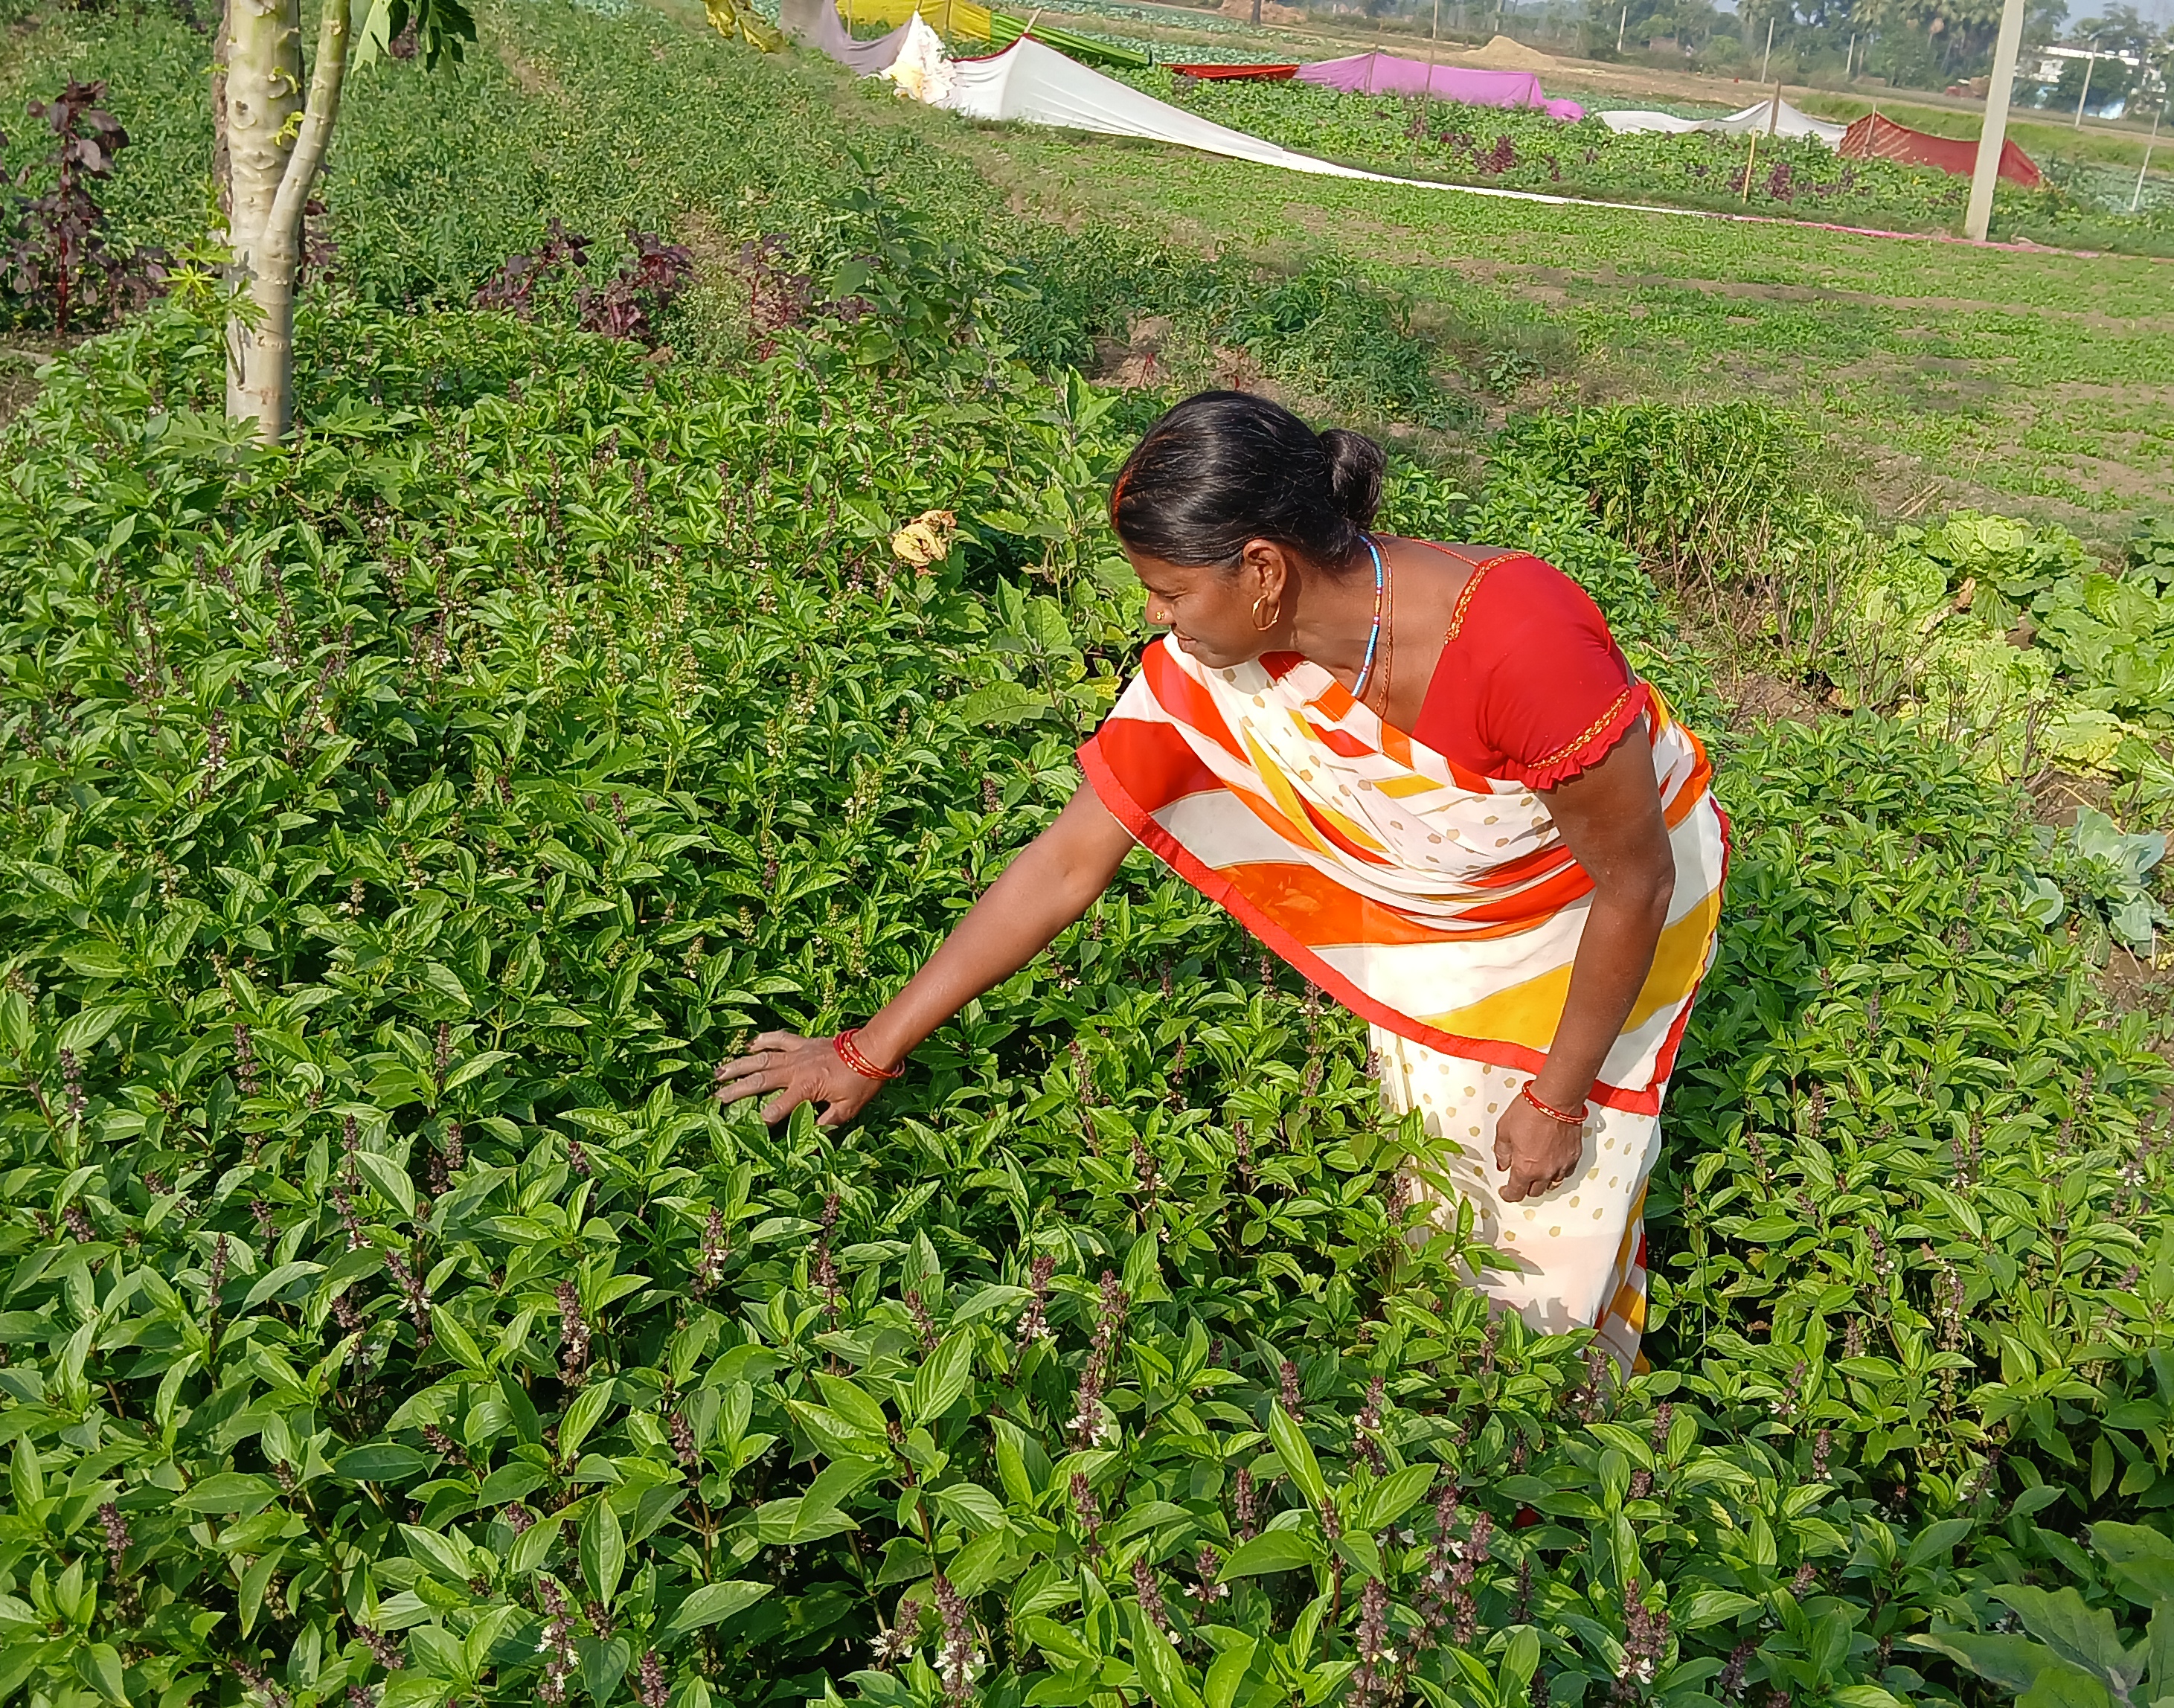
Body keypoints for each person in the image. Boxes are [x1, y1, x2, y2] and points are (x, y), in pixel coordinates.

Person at [714, 391, 1728, 1366]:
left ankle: (1567, 1463)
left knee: (1553, 1208)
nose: (1158, 622)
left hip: (1596, 920)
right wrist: (868, 1049)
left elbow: (1631, 886)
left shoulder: (1520, 645)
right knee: (1446, 1201)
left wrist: (1556, 1099)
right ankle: (1471, 1415)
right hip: (1449, 941)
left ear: (1261, 569)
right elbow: (1069, 860)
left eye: (1166, 591)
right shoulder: (1223, 664)